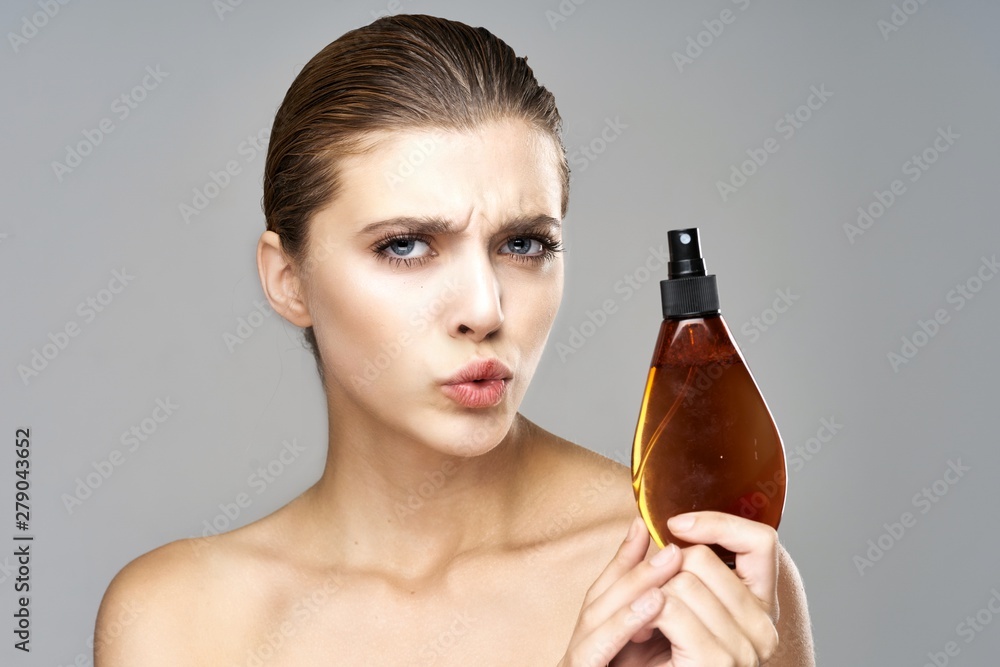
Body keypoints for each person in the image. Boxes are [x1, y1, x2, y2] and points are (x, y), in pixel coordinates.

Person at [94, 14, 814, 665]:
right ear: (289, 280)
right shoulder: (176, 621)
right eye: (405, 246)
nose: (483, 308)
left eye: (524, 244)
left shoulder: (694, 574)